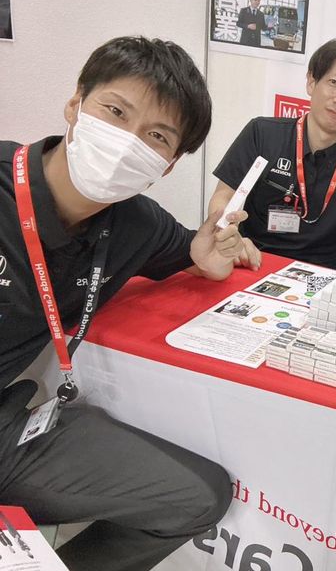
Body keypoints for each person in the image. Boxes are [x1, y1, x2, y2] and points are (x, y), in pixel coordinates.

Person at [0, 36, 259, 570]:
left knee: (199, 496)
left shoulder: (137, 223)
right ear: (76, 103)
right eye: (115, 111)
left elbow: (193, 251)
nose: (126, 142)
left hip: (9, 432)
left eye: (156, 136)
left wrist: (207, 257)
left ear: (167, 165)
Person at [209, 38, 336, 270]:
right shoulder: (262, 133)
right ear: (311, 82)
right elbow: (222, 197)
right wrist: (229, 236)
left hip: (320, 277)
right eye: (334, 82)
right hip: (253, 262)